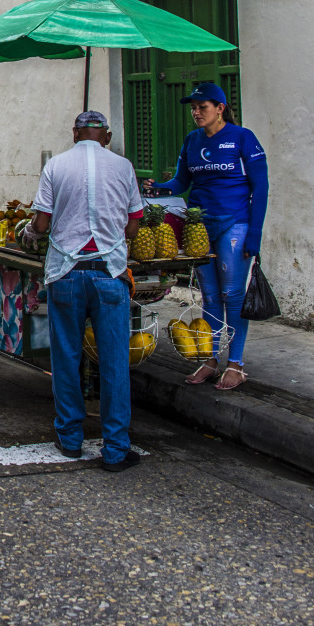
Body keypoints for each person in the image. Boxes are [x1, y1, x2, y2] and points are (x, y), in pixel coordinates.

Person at [25, 110, 145, 471]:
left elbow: (42, 222)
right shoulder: (123, 167)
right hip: (109, 275)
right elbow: (135, 224)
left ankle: (71, 439)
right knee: (114, 364)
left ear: (75, 134)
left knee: (66, 357)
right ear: (105, 136)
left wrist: (30, 233)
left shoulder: (56, 166)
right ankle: (115, 449)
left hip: (67, 274)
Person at [143, 82, 268, 392]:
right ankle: (211, 359)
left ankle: (236, 364)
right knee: (209, 296)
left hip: (235, 225)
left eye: (202, 107)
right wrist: (160, 188)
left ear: (220, 108)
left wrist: (254, 233)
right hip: (199, 227)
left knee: (233, 295)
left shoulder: (242, 139)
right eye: (193, 108)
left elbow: (261, 188)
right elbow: (181, 181)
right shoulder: (192, 140)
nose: (196, 112)